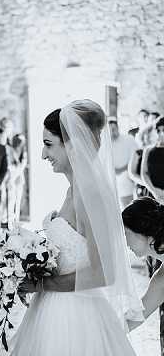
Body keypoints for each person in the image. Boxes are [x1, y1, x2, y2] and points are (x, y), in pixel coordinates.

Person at [11, 100, 143, 356]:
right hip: (50, 309)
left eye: (48, 144)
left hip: (77, 316)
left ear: (72, 144)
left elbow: (103, 273)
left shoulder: (90, 194)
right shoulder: (74, 190)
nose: (42, 154)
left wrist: (41, 285)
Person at [123, 197, 164, 330]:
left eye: (125, 233)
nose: (125, 243)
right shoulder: (160, 280)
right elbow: (136, 317)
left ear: (142, 230)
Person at [109, 119, 138, 208]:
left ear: (118, 128)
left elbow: (136, 156)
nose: (112, 132)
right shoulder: (105, 144)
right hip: (112, 177)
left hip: (128, 175)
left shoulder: (128, 139)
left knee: (128, 205)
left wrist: (123, 169)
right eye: (110, 130)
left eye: (113, 129)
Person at [139, 116, 164, 203]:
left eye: (163, 130)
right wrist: (154, 191)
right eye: (158, 131)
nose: (161, 134)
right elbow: (144, 173)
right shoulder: (148, 150)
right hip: (152, 194)